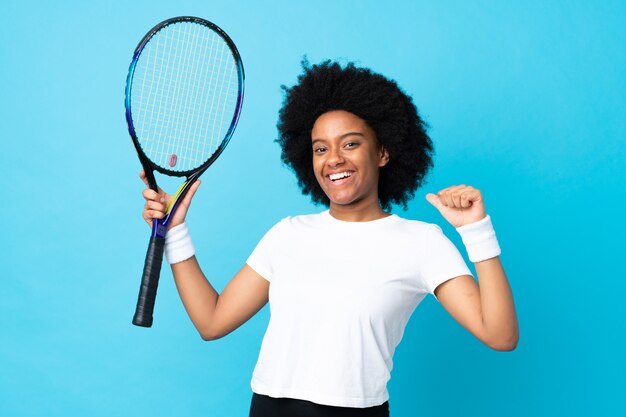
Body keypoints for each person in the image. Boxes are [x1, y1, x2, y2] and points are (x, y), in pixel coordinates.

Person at [140, 60, 519, 417]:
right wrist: (176, 234)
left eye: (350, 143)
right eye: (321, 148)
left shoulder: (421, 242)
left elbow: (500, 335)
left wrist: (476, 231)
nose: (333, 158)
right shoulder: (288, 234)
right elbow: (212, 321)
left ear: (383, 151)